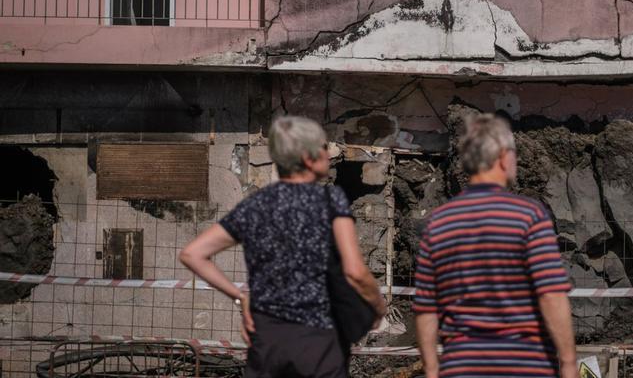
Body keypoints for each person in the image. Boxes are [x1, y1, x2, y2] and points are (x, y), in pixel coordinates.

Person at [179, 116, 386, 378]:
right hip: (319, 340)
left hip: (267, 341)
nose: (328, 152)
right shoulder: (330, 199)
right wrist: (377, 306)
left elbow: (192, 254)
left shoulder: (256, 204)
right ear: (309, 158)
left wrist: (239, 296)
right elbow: (355, 271)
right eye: (324, 147)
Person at [414, 113, 577, 378]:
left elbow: (426, 308)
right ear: (502, 155)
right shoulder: (529, 216)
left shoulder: (438, 223)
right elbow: (551, 294)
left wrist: (432, 370)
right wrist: (569, 363)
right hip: (525, 366)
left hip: (462, 367)